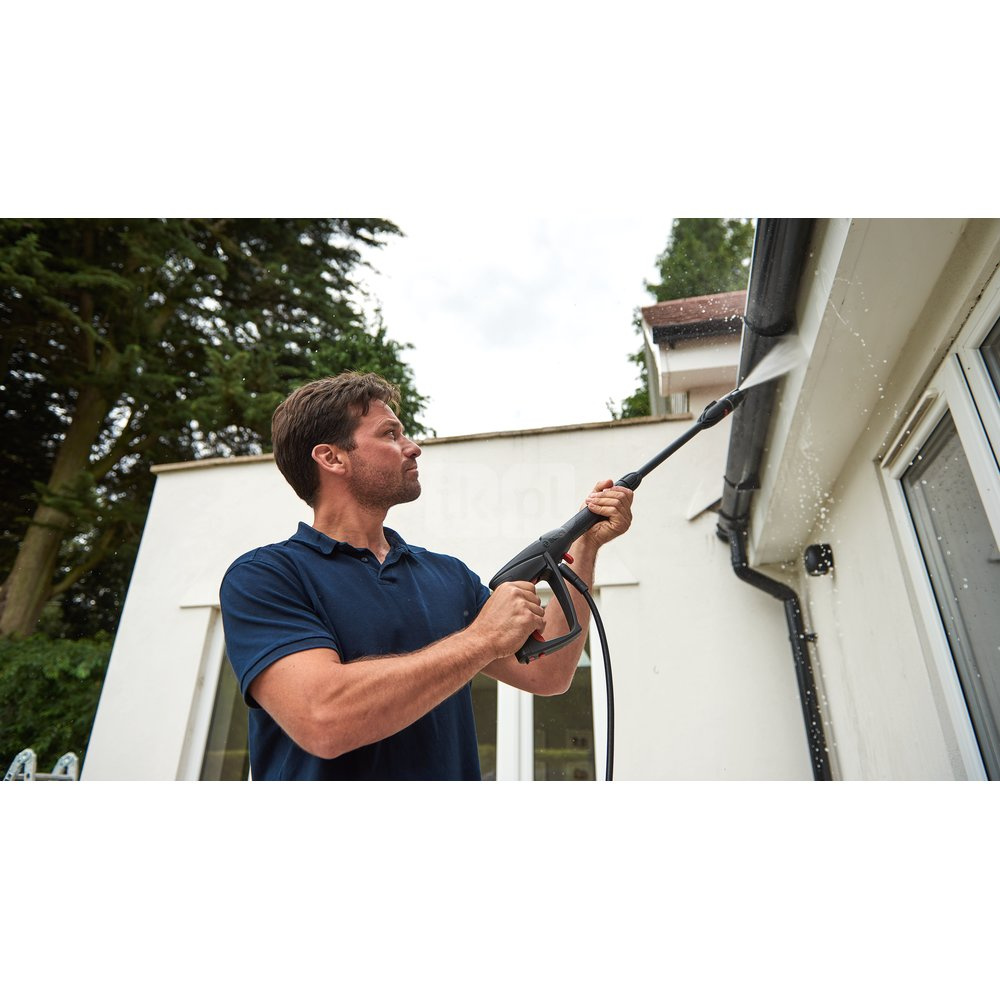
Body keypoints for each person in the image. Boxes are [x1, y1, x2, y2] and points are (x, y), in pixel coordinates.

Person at [219, 371, 633, 780]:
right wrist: (481, 639)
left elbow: (548, 673)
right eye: (390, 434)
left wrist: (586, 545)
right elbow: (323, 718)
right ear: (332, 458)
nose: (413, 447)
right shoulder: (265, 577)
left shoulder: (448, 575)